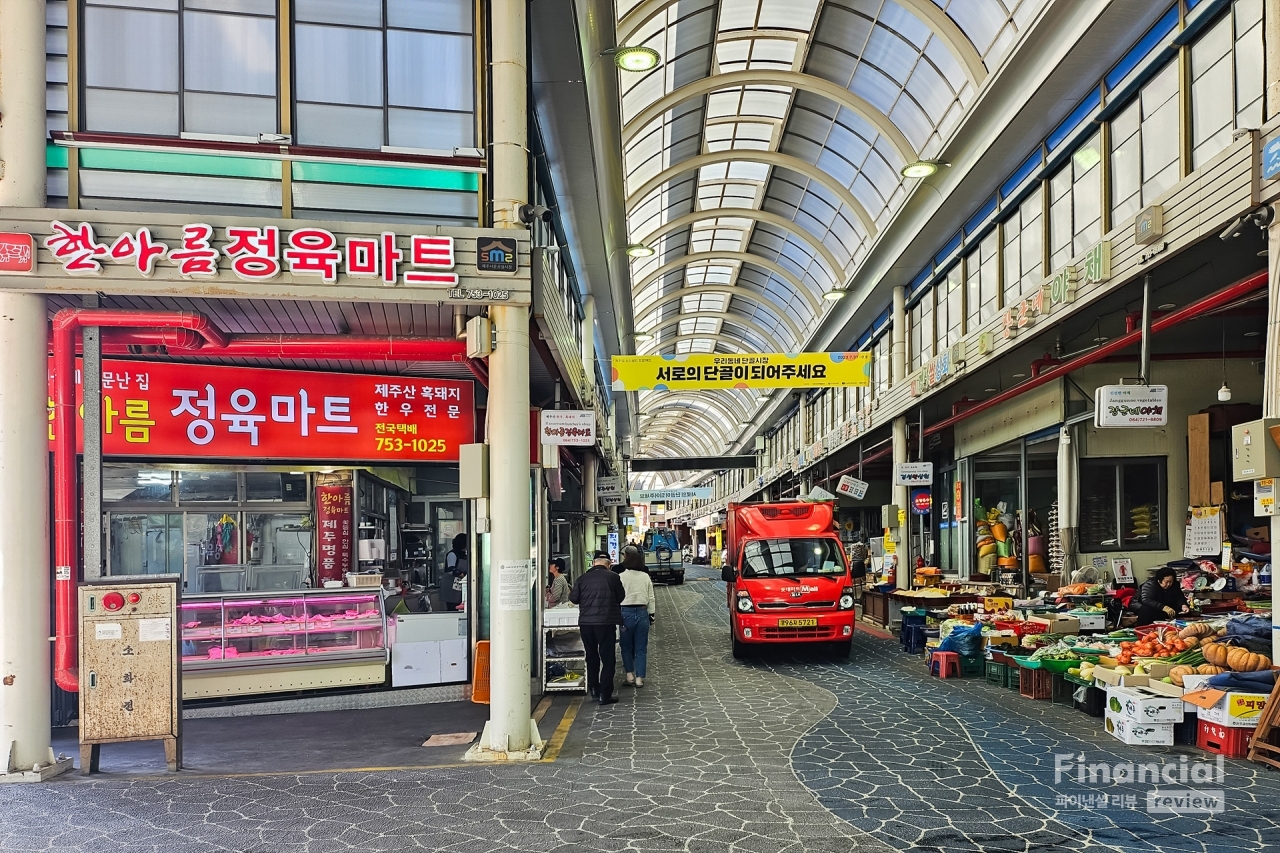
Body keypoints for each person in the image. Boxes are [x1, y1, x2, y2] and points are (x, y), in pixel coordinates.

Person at [570, 551, 625, 705]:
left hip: (586, 624)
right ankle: (605, 694)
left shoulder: (582, 578)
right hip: (606, 622)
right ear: (608, 564)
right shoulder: (613, 577)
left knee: (591, 656)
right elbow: (621, 597)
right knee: (607, 658)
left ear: (593, 563)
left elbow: (574, 599)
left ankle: (594, 689)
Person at [617, 544, 656, 687]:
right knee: (641, 647)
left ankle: (629, 676)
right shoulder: (645, 576)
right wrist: (652, 615)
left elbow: (617, 597)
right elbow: (651, 597)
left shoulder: (620, 577)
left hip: (625, 613)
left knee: (626, 646)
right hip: (642, 612)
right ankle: (639, 678)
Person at [440, 533, 468, 612]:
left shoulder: (464, 555)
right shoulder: (452, 554)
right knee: (453, 608)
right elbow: (451, 569)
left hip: (459, 585)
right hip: (451, 585)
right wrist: (464, 575)